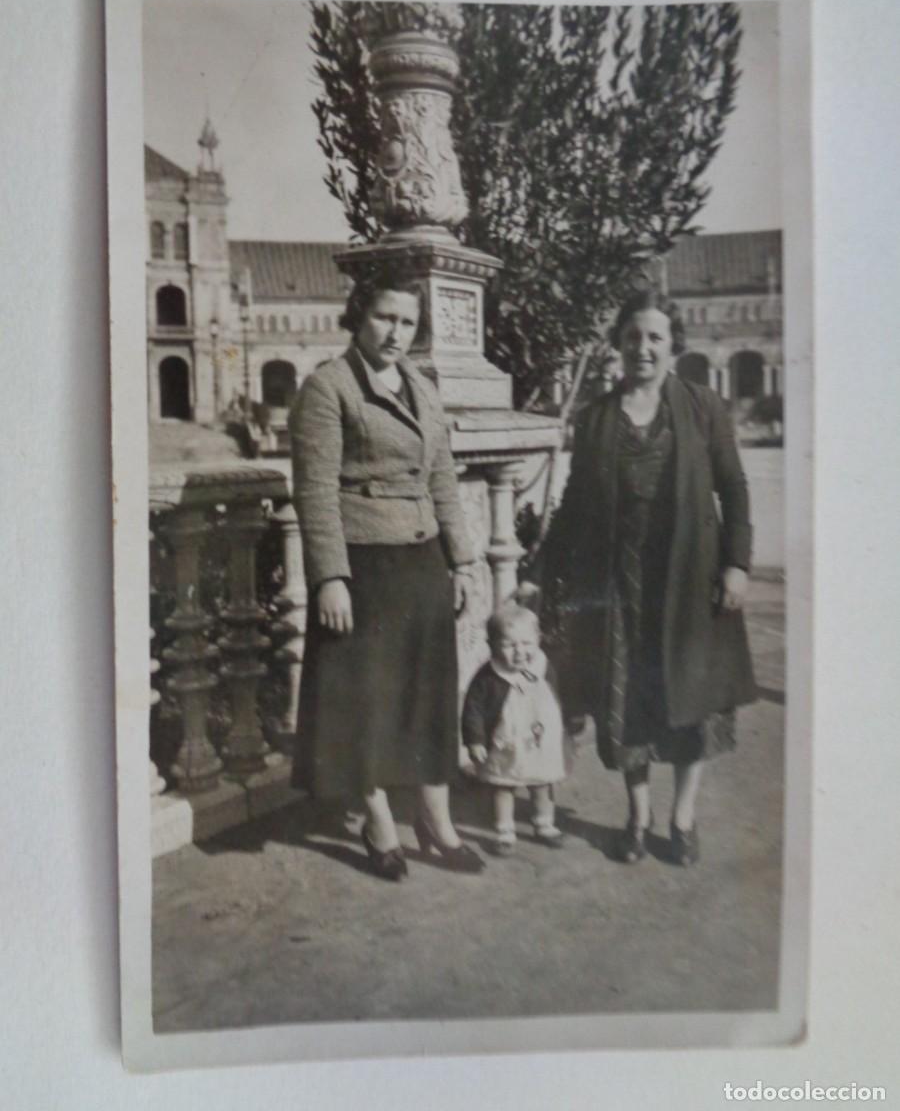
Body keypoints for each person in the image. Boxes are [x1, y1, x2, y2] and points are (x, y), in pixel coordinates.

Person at [542, 286, 756, 866]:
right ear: (618, 344)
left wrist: (736, 563)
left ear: (673, 345)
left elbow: (732, 487)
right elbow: (574, 504)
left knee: (694, 703)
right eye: (633, 336)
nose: (644, 347)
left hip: (691, 580)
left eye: (655, 337)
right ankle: (637, 816)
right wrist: (543, 573)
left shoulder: (702, 406)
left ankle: (682, 820)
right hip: (620, 583)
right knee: (627, 702)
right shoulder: (595, 419)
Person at [289, 275, 485, 880]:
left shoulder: (422, 387)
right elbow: (315, 492)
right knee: (364, 702)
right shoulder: (327, 388)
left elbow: (443, 481)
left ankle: (434, 820)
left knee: (428, 695)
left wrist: (464, 560)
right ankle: (377, 820)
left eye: (407, 321)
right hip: (363, 566)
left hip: (422, 560)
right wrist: (329, 578)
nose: (396, 332)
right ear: (357, 316)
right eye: (384, 318)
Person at [462, 604, 568, 855]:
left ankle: (544, 824)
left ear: (538, 640)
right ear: (493, 645)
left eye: (526, 644)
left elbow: (555, 697)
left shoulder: (543, 667)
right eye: (510, 646)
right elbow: (473, 710)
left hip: (538, 741)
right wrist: (475, 741)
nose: (520, 652)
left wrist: (566, 726)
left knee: (542, 782)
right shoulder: (488, 677)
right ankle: (504, 831)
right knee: (504, 785)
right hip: (505, 742)